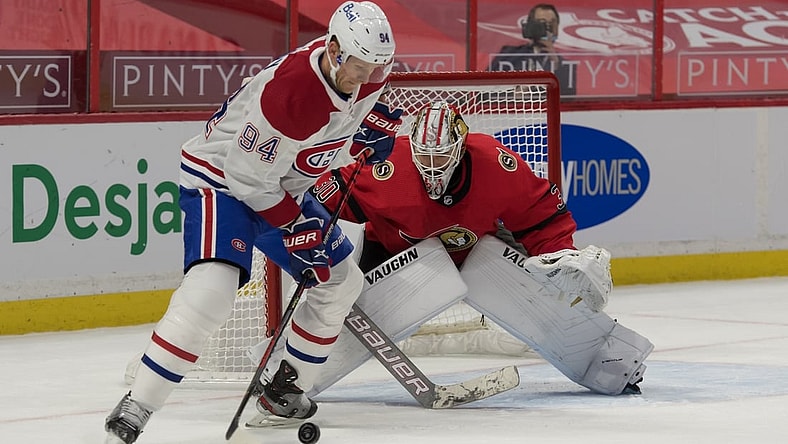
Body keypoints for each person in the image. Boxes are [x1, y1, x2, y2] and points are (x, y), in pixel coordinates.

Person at [103, 2, 402, 443]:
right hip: (223, 184)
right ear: (334, 49)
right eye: (360, 66)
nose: (368, 77)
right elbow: (247, 179)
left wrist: (367, 134)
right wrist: (297, 228)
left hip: (282, 186)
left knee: (340, 281)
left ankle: (283, 391)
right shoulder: (293, 93)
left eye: (377, 68)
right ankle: (137, 407)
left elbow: (331, 133)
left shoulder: (367, 71)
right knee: (211, 294)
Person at [257, 101, 653, 405]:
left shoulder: (496, 165)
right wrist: (305, 240)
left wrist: (561, 256)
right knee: (374, 294)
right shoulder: (385, 165)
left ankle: (610, 362)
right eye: (423, 156)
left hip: (473, 253)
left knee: (511, 275)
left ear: (461, 147)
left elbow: (542, 219)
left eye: (441, 156)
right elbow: (323, 201)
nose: (431, 166)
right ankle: (280, 373)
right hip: (391, 257)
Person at [488, 4, 577, 96]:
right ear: (531, 26)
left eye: (552, 24)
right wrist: (514, 94)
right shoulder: (509, 56)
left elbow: (569, 98)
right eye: (542, 23)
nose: (548, 29)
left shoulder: (564, 65)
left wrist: (556, 64)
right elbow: (485, 91)